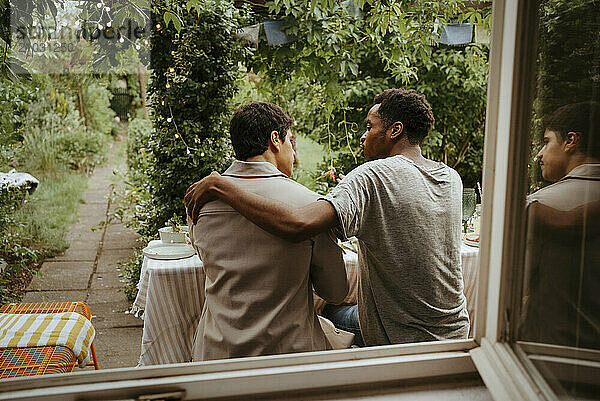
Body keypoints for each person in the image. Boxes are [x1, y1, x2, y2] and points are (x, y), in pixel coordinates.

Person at [186, 89, 470, 346]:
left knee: (329, 309)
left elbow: (296, 224)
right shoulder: (450, 178)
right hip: (455, 330)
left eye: (370, 127)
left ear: (395, 130)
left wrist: (220, 184)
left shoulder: (372, 176)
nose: (363, 135)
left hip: (400, 338)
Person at [187, 102, 349, 361]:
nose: (294, 155)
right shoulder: (310, 205)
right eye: (291, 143)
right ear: (275, 140)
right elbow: (335, 292)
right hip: (290, 358)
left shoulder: (200, 202)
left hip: (216, 355)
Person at [521, 101, 600, 349]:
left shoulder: (540, 202)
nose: (539, 154)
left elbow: (518, 286)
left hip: (549, 351)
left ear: (570, 141)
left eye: (546, 141)